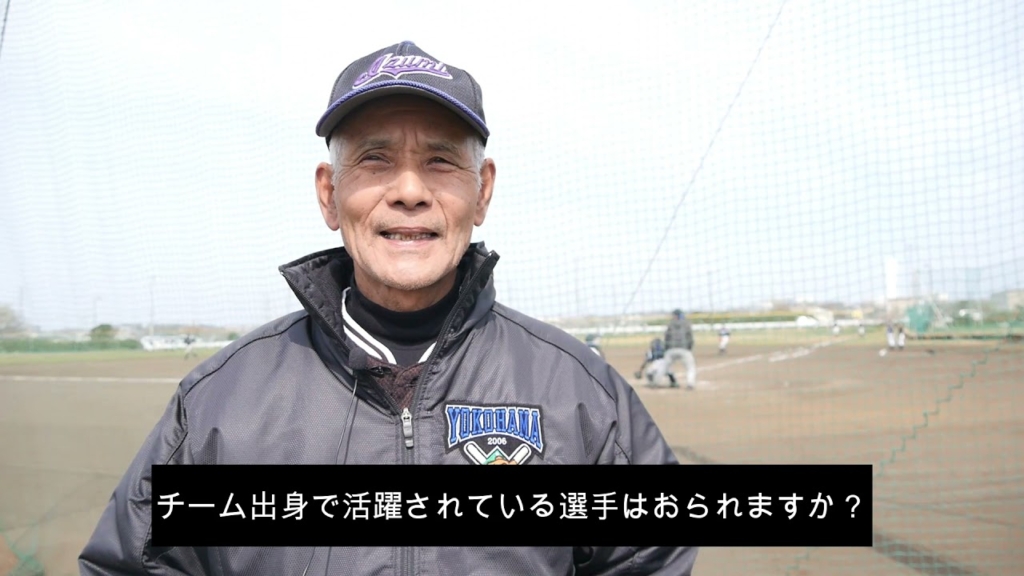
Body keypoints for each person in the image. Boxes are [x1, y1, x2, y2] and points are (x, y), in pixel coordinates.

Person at [78, 41, 697, 575]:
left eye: (440, 160)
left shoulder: (582, 394)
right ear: (329, 193)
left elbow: (652, 556)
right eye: (375, 159)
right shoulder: (220, 402)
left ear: (482, 191)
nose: (408, 191)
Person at [658, 309, 696, 390]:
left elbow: (666, 337)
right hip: (684, 349)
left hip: (671, 349)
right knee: (690, 367)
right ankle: (690, 383)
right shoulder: (686, 324)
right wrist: (689, 348)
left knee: (664, 366)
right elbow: (690, 338)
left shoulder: (670, 324)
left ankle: (656, 382)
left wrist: (666, 348)